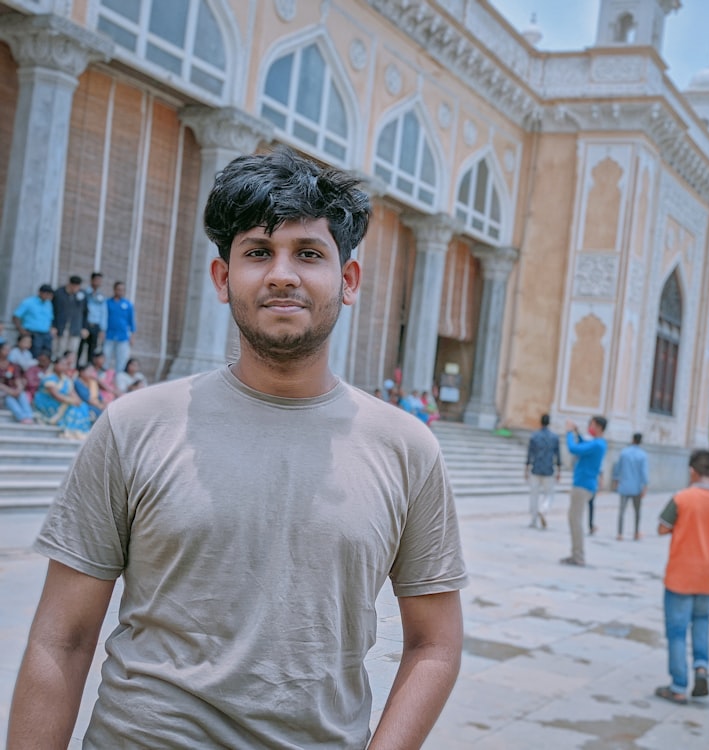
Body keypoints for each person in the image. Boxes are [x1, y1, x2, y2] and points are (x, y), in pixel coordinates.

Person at [7, 147, 467, 750]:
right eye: (256, 252)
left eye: (308, 253)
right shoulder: (135, 425)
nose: (282, 273)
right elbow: (61, 637)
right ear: (223, 278)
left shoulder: (406, 449)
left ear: (347, 280)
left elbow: (435, 642)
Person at [655, 449, 709, 705]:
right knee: (702, 622)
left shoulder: (682, 498)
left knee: (677, 631)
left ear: (692, 471)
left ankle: (679, 685)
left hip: (681, 574)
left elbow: (662, 527)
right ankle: (701, 667)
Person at [561, 415, 608, 566]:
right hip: (585, 484)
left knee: (575, 520)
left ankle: (578, 555)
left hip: (582, 485)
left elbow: (574, 449)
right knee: (574, 519)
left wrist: (568, 432)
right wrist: (577, 433)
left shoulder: (597, 444)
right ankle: (576, 553)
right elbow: (582, 445)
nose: (590, 427)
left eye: (592, 425)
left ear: (599, 427)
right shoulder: (597, 444)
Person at [31, 351, 91, 439]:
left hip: (63, 401)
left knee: (83, 406)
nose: (64, 366)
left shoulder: (66, 379)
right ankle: (70, 432)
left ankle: (81, 432)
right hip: (49, 401)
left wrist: (77, 401)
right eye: (62, 364)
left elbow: (73, 393)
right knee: (72, 410)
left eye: (66, 365)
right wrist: (71, 401)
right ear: (55, 365)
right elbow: (56, 395)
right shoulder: (49, 377)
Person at [525, 413, 561, 529]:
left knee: (534, 495)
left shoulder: (535, 436)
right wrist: (559, 471)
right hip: (548, 469)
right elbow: (558, 456)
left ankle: (533, 520)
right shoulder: (555, 437)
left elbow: (529, 454)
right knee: (549, 494)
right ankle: (544, 509)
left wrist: (526, 469)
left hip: (536, 468)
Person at [612, 432, 649, 541]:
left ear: (632, 439)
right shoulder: (643, 455)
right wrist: (645, 486)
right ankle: (636, 532)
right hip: (636, 487)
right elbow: (644, 472)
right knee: (637, 511)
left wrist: (615, 479)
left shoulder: (624, 452)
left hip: (624, 485)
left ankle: (620, 533)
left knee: (621, 511)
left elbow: (618, 468)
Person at [12, 283, 56, 357]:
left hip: (46, 333)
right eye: (46, 294)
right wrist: (22, 331)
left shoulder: (48, 304)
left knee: (47, 354)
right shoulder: (29, 302)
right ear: (40, 292)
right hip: (32, 333)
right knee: (34, 355)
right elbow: (16, 316)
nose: (48, 296)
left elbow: (50, 318)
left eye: (50, 295)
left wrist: (51, 329)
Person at [52, 274, 88, 360]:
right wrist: (53, 326)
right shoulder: (59, 293)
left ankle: (70, 371)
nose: (75, 289)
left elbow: (85, 312)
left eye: (77, 287)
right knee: (59, 350)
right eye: (74, 286)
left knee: (73, 352)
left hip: (75, 328)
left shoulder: (82, 295)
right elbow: (53, 310)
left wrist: (84, 327)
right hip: (61, 327)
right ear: (70, 284)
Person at [105, 280, 136, 372]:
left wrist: (133, 336)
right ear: (114, 290)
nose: (120, 292)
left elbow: (131, 321)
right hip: (109, 335)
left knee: (122, 360)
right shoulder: (108, 302)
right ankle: (104, 378)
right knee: (106, 357)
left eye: (122, 290)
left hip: (122, 336)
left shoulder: (127, 304)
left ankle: (118, 379)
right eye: (118, 289)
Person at [78, 271, 107, 367]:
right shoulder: (84, 293)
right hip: (85, 324)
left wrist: (102, 329)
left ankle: (88, 368)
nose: (98, 282)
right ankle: (78, 368)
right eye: (96, 280)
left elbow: (103, 313)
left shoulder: (101, 297)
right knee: (80, 347)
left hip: (95, 326)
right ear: (91, 280)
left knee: (92, 349)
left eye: (100, 280)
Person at [0, 343, 34, 424]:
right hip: (3, 391)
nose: (7, 352)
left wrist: (19, 388)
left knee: (22, 394)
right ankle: (22, 417)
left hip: (12, 389)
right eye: (5, 349)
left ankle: (29, 416)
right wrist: (10, 391)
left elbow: (17, 379)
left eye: (9, 350)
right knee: (9, 398)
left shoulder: (12, 365)